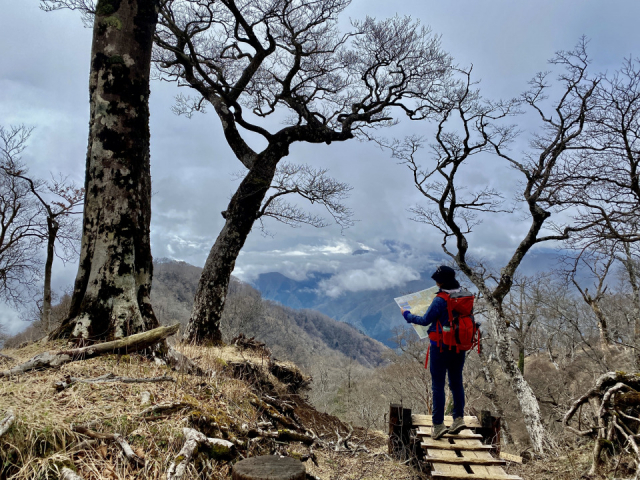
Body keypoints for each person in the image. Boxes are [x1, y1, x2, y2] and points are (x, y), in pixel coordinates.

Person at [401, 265, 467, 440]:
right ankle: (458, 418)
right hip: (460, 346)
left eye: (437, 280)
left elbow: (424, 320)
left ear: (442, 281)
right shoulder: (464, 295)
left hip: (441, 346)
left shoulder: (440, 299)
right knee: (456, 382)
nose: (436, 283)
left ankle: (438, 425)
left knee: (438, 385)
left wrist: (406, 314)